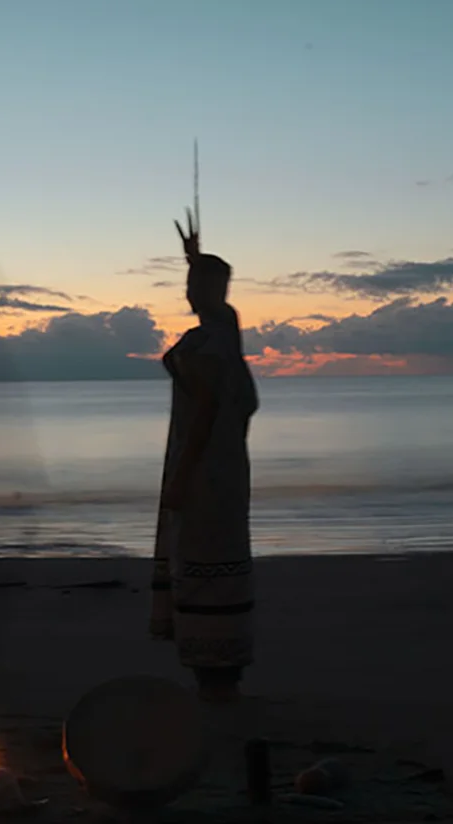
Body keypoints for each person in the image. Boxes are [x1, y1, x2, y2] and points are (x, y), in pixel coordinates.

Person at [150, 209, 259, 702]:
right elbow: (221, 312)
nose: (188, 292)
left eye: (196, 284)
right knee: (213, 562)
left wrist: (181, 478)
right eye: (189, 282)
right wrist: (195, 259)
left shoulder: (212, 344)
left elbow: (206, 413)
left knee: (205, 564)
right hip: (222, 472)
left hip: (207, 474)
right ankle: (218, 677)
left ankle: (215, 679)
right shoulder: (223, 332)